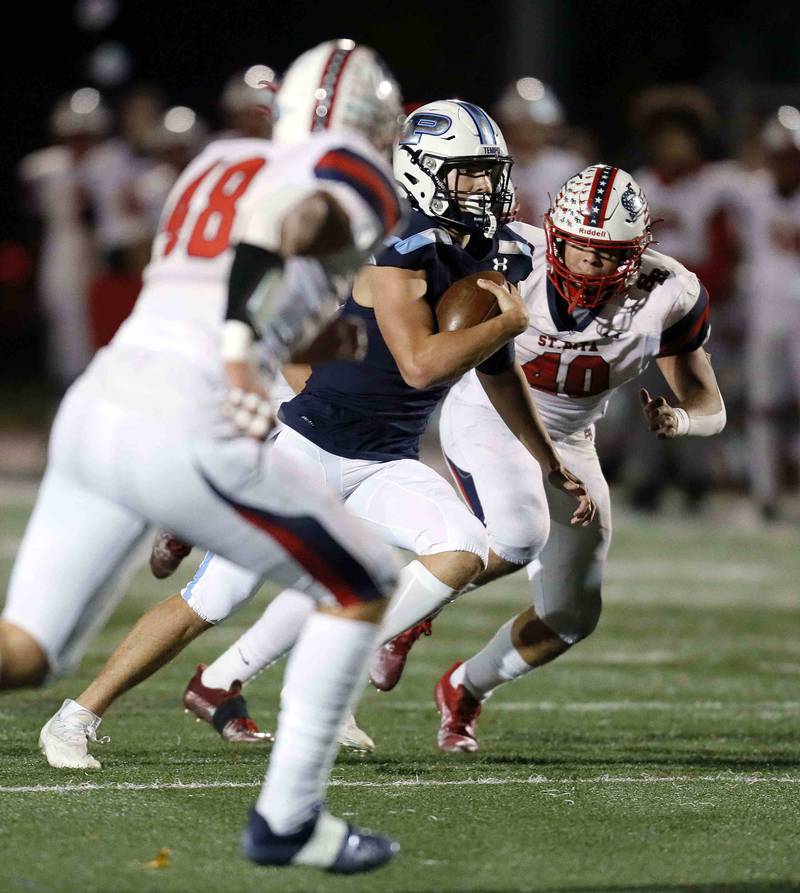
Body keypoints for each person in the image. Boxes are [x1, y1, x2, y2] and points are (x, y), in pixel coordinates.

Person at [38, 99, 594, 756]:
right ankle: (76, 715)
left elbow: (498, 372)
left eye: (487, 173)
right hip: (307, 450)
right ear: (421, 173)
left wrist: (547, 458)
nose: (481, 188)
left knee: (462, 549)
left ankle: (328, 671)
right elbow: (420, 367)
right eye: (465, 173)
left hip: (385, 459)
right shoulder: (399, 250)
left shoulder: (488, 251)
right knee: (212, 600)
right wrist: (504, 320)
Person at [6, 39, 409, 874]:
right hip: (186, 413)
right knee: (363, 578)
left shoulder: (218, 161)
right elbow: (288, 224)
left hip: (100, 403)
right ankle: (290, 819)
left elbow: (201, 270)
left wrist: (296, 332)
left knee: (27, 655)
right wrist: (236, 347)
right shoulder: (352, 172)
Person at [427, 164, 726, 751]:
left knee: (570, 616)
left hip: (570, 442)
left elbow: (709, 402)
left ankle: (465, 687)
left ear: (638, 252)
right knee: (516, 534)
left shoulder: (669, 291)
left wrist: (681, 419)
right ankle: (408, 610)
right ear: (554, 236)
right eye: (581, 251)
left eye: (610, 255)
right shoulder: (512, 257)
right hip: (486, 413)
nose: (592, 268)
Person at [18, 89, 111, 388]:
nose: (80, 141)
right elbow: (31, 212)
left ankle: (96, 380)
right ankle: (66, 381)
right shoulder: (43, 166)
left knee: (99, 314)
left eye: (87, 134)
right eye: (75, 134)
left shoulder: (110, 162)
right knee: (61, 311)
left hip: (102, 246)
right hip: (61, 243)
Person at [742, 113, 800, 520]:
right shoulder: (750, 191)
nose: (786, 166)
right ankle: (765, 491)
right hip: (764, 312)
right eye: (779, 157)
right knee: (763, 406)